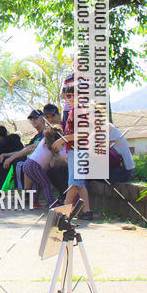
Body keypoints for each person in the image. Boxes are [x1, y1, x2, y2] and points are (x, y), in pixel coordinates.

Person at [53, 81, 93, 220]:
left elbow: (83, 133)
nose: (68, 98)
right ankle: (87, 211)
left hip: (79, 150)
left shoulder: (80, 111)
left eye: (71, 95)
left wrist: (63, 140)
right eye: (66, 96)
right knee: (80, 184)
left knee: (74, 183)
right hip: (74, 151)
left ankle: (65, 211)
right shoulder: (73, 111)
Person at [16, 127, 66, 208]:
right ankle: (52, 203)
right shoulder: (55, 146)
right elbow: (64, 155)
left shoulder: (43, 141)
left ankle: (34, 202)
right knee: (46, 184)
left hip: (27, 164)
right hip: (34, 165)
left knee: (38, 184)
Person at [0, 125, 24, 190]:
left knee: (2, 160)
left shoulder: (7, 142)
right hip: (15, 157)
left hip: (21, 159)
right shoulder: (6, 141)